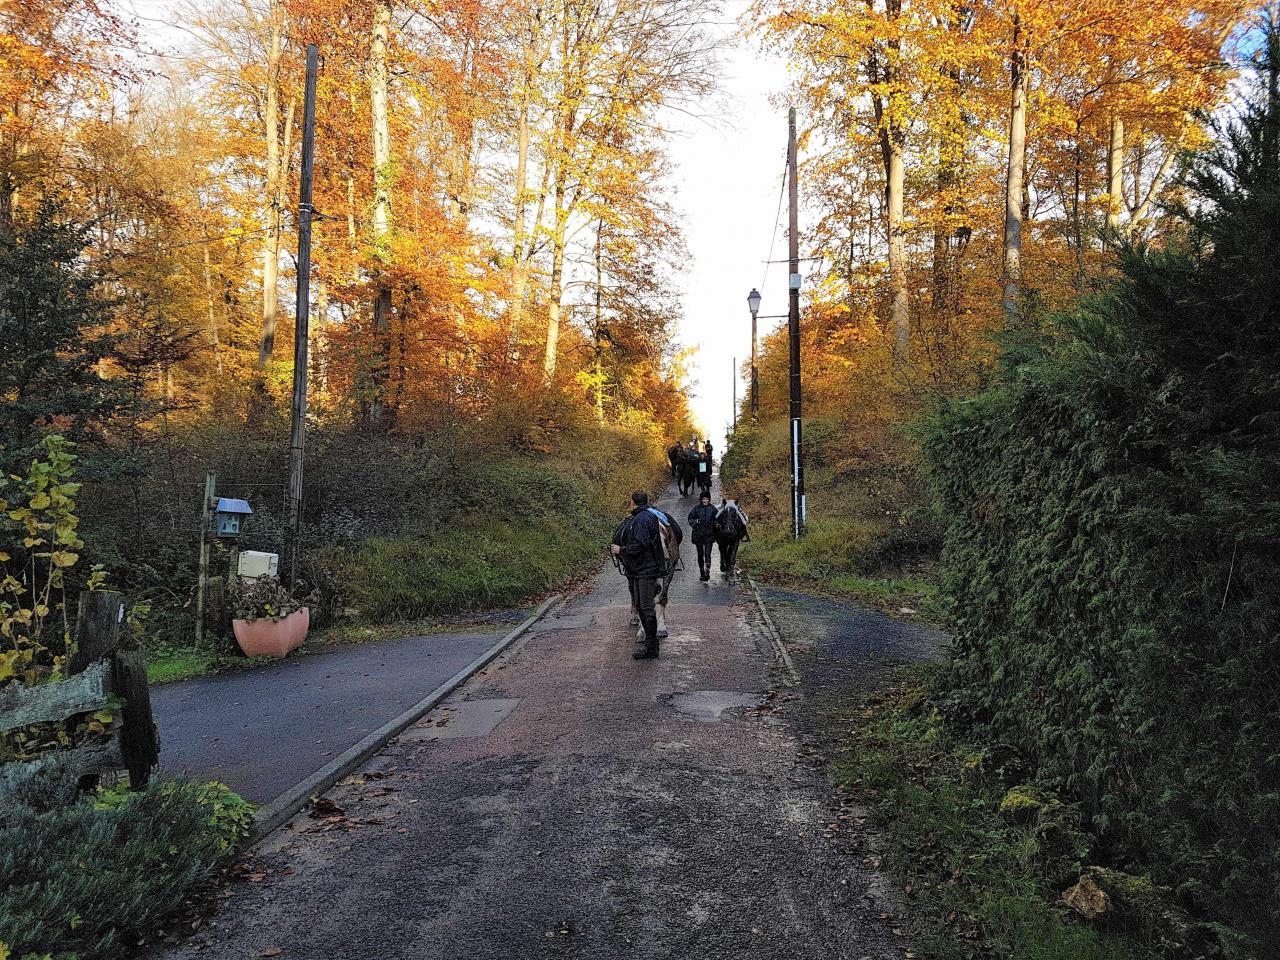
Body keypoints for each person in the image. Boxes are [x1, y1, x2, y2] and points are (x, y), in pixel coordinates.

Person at [611, 490, 666, 660]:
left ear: (632, 502)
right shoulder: (644, 516)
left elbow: (641, 545)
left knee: (646, 607)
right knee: (643, 606)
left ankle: (651, 647)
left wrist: (622, 550)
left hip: (645, 569)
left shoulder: (641, 519)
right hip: (640, 569)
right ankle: (650, 646)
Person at [715, 497, 750, 576]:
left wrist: (743, 524)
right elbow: (715, 516)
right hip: (722, 534)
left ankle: (744, 534)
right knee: (722, 547)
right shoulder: (720, 509)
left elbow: (745, 519)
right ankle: (722, 560)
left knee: (743, 524)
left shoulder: (737, 510)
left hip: (734, 533)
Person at [687, 491, 718, 582]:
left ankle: (707, 571)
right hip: (698, 535)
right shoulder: (696, 509)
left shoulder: (713, 509)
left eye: (707, 499)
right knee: (700, 554)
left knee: (707, 553)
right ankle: (701, 572)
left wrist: (716, 524)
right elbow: (690, 519)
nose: (705, 501)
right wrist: (695, 522)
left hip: (709, 534)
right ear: (701, 499)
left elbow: (716, 519)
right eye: (704, 499)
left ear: (709, 499)